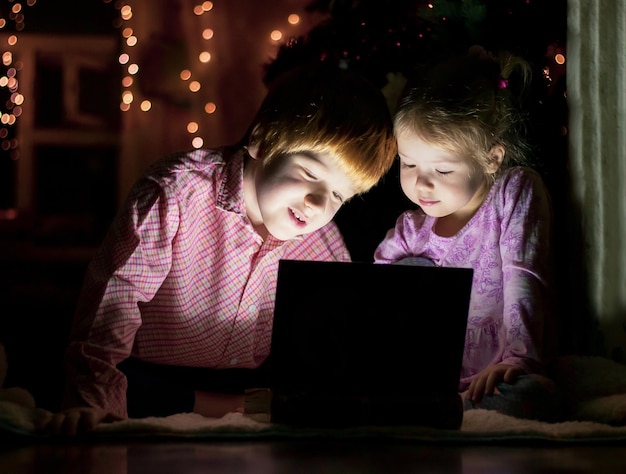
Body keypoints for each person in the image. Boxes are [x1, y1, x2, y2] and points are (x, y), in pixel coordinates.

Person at [47, 63, 397, 435]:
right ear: (262, 141)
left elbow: (334, 346)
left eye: (339, 195)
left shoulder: (323, 243)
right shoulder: (175, 194)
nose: (318, 204)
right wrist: (93, 404)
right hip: (148, 389)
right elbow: (110, 311)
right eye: (310, 174)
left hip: (253, 405)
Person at [374, 47, 561, 421]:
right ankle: (432, 407)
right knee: (402, 271)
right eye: (408, 163)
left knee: (535, 396)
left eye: (443, 170)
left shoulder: (513, 192)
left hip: (499, 376)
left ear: (491, 158)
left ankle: (448, 411)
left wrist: (520, 359)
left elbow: (524, 276)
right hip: (426, 379)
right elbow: (375, 299)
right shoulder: (412, 229)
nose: (421, 183)